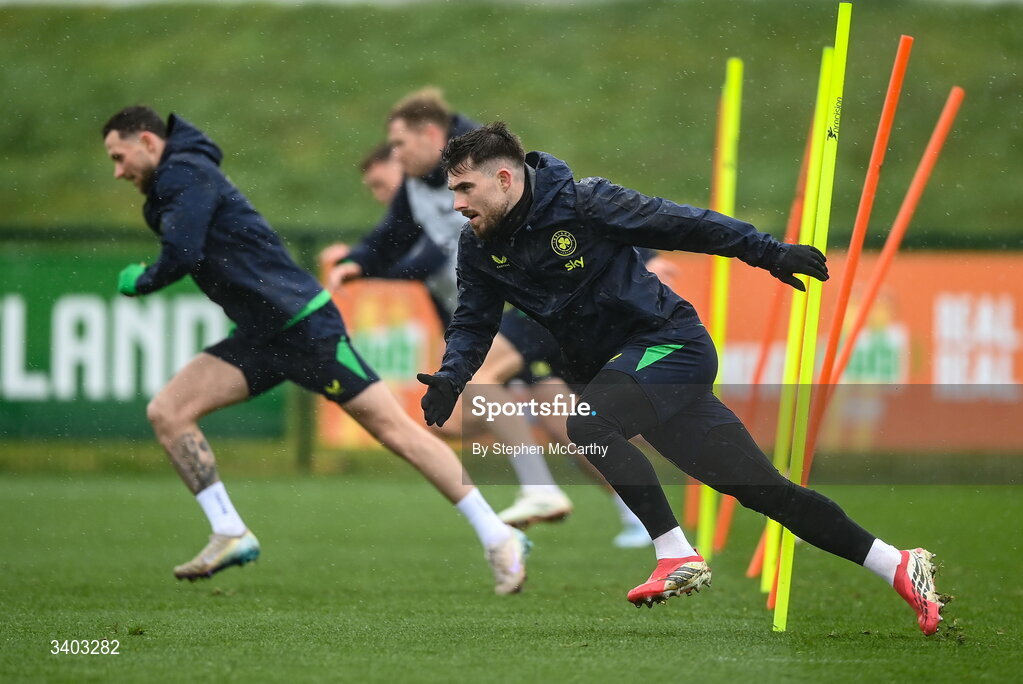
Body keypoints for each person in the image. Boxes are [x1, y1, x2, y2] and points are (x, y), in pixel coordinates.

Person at [417, 121, 945, 635]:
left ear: (505, 179)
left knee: (588, 425)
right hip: (628, 371)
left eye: (466, 188)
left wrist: (768, 252)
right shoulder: (478, 245)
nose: (458, 203)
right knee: (765, 492)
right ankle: (898, 564)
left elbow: (685, 224)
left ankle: (674, 553)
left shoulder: (586, 202)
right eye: (453, 191)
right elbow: (472, 323)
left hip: (670, 344)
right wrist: (451, 376)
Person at [100, 106, 530, 595]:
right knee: (169, 411)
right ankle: (228, 529)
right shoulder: (178, 175)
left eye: (119, 156)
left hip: (306, 328)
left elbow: (183, 251)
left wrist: (145, 278)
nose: (118, 170)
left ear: (149, 143)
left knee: (396, 432)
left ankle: (499, 536)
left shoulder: (183, 171)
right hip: (261, 333)